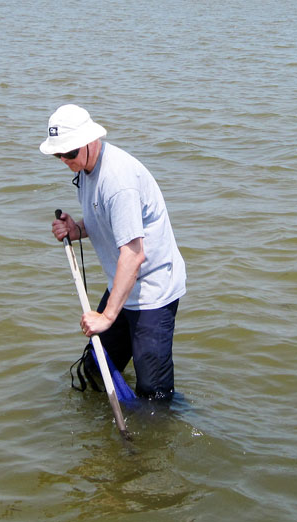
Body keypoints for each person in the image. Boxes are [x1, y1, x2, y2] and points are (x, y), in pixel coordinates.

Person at [41, 104, 186, 401]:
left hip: (152, 293)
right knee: (96, 366)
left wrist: (107, 317)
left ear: (90, 140)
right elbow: (109, 221)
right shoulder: (86, 169)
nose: (65, 160)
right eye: (59, 154)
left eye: (70, 153)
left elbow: (133, 254)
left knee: (153, 395)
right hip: (123, 284)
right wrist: (76, 230)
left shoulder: (117, 182)